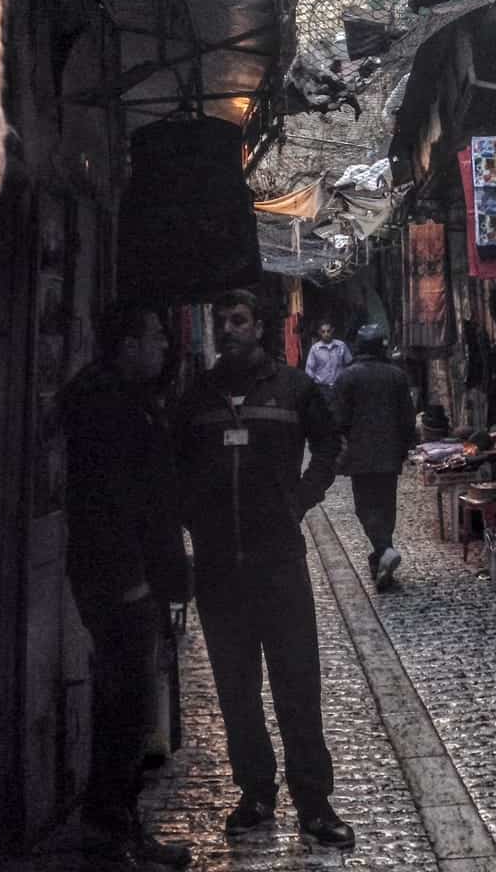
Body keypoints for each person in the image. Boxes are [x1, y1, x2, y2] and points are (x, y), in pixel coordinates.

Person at [173, 288, 354, 850]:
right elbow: (173, 462)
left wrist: (300, 498)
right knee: (236, 688)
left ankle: (314, 803)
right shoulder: (196, 394)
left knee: (296, 683)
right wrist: (190, 513)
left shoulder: (294, 389)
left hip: (279, 562)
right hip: (220, 567)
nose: (229, 330)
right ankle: (254, 793)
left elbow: (329, 446)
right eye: (222, 321)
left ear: (260, 327)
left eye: (239, 320)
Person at [61, 303, 192, 869]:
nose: (164, 345)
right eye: (155, 335)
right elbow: (108, 502)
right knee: (126, 706)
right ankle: (110, 832)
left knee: (132, 705)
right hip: (120, 580)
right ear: (127, 344)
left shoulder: (124, 396)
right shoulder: (105, 402)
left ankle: (118, 826)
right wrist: (133, 580)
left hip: (134, 575)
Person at [332, 323, 415, 590]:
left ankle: (382, 551)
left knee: (365, 506)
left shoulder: (348, 377)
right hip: (390, 454)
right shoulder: (397, 376)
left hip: (361, 455)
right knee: (386, 506)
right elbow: (407, 417)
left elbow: (339, 418)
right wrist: (405, 447)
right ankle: (381, 556)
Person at [304, 319, 351, 390]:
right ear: (319, 332)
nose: (326, 334)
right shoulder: (315, 349)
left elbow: (350, 365)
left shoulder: (341, 346)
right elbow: (309, 370)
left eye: (328, 331)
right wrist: (314, 386)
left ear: (332, 330)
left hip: (339, 387)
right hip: (321, 388)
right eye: (323, 332)